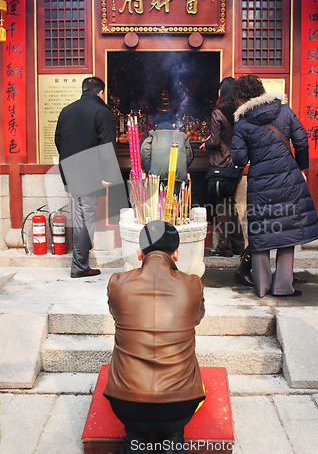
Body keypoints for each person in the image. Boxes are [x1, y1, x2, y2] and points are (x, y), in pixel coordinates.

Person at [104, 220, 205, 454]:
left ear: (140, 252)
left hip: (127, 403)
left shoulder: (118, 283)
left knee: (135, 434)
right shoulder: (193, 285)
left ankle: (135, 439)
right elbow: (197, 318)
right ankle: (172, 439)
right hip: (179, 405)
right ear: (176, 253)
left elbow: (115, 314)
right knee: (173, 433)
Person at [230, 74, 318, 297]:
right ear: (261, 91)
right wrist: (299, 166)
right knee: (287, 229)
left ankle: (262, 286)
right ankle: (283, 286)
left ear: (241, 98)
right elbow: (301, 141)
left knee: (260, 232)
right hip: (288, 179)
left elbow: (239, 159)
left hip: (260, 182)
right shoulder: (284, 111)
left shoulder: (242, 123)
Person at [55, 76, 120, 278]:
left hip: (71, 170)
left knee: (82, 215)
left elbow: (58, 138)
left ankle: (81, 261)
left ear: (83, 90)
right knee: (85, 218)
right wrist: (107, 174)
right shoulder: (102, 111)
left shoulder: (67, 110)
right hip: (90, 172)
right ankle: (79, 266)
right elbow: (106, 145)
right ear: (101, 92)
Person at [199, 77, 245, 257]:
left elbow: (216, 140)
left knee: (222, 207)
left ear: (222, 92)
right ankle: (238, 245)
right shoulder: (240, 111)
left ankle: (225, 248)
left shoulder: (218, 112)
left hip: (222, 165)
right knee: (230, 205)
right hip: (237, 164)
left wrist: (207, 144)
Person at [140, 93, 193, 192]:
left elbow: (144, 152)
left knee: (158, 204)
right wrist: (181, 167)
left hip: (156, 177)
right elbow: (189, 157)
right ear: (174, 124)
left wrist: (148, 170)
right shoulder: (182, 135)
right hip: (178, 178)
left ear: (156, 123)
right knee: (175, 202)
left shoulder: (151, 135)